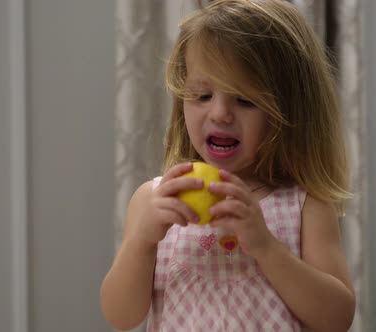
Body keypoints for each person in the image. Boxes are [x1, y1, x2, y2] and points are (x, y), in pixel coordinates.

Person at [101, 0, 355, 331]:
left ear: (290, 112)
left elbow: (336, 318)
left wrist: (266, 247)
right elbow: (120, 317)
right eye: (202, 96)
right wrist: (142, 242)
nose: (220, 113)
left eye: (245, 100)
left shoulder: (304, 204)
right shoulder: (154, 200)